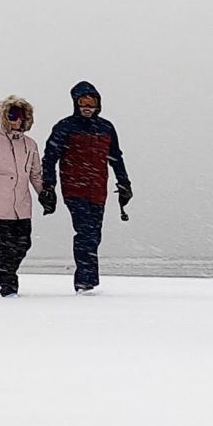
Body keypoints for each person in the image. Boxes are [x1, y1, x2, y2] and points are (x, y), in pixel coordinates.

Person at [40, 81, 132, 294]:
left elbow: (116, 158)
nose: (87, 107)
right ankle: (85, 283)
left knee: (95, 235)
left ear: (98, 104)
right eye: (83, 102)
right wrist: (48, 187)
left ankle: (88, 281)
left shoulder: (106, 128)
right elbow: (50, 158)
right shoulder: (65, 127)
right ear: (76, 103)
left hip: (98, 191)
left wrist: (124, 184)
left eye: (91, 103)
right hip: (74, 190)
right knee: (86, 233)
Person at [0, 95, 44, 297]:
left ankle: (3, 270)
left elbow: (35, 174)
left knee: (24, 244)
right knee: (7, 248)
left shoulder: (30, 145)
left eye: (21, 116)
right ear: (4, 117)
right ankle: (8, 287)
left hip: (22, 207)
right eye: (13, 115)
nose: (17, 120)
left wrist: (44, 195)